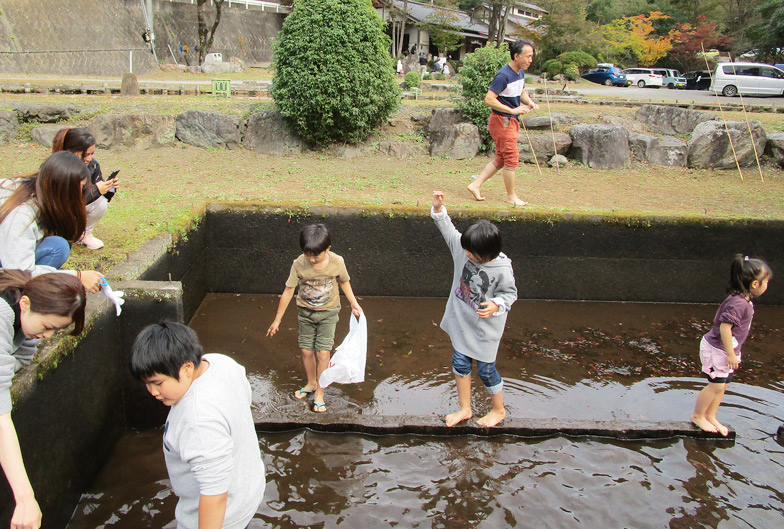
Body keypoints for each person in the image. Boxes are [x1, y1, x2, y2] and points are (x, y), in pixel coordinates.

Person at [130, 322, 265, 529]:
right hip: (247, 494)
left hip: (223, 519)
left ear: (186, 369)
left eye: (158, 383)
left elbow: (215, 495)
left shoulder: (197, 420)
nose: (152, 392)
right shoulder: (221, 363)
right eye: (146, 383)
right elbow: (245, 398)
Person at [0, 269, 86, 529]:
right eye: (47, 327)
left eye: (55, 330)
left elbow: (19, 361)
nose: (47, 336)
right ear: (24, 304)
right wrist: (25, 498)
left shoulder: (22, 314)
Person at [431, 191, 518, 428]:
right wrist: (439, 210)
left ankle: (498, 410)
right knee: (460, 363)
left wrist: (495, 305)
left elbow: (510, 294)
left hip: (484, 329)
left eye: (472, 253)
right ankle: (464, 408)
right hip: (463, 322)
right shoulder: (463, 251)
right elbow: (449, 232)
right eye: (466, 250)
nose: (466, 254)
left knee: (487, 370)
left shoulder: (502, 268)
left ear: (488, 254)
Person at [266, 223, 362, 413]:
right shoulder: (298, 263)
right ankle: (311, 383)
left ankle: (320, 392)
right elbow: (288, 290)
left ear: (328, 249)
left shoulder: (337, 262)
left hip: (328, 313)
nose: (311, 259)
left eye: (315, 255)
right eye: (307, 254)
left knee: (323, 353)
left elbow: (344, 281)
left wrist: (353, 303)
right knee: (306, 351)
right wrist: (277, 319)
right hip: (306, 313)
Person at [691, 254, 772, 436]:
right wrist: (730, 354)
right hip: (718, 350)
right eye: (766, 282)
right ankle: (698, 415)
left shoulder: (743, 300)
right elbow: (725, 328)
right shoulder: (738, 303)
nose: (768, 286)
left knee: (724, 384)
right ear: (755, 284)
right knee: (716, 385)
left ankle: (711, 415)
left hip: (727, 349)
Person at [0, 152, 104, 293]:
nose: (80, 195)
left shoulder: (37, 189)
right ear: (60, 188)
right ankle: (18, 299)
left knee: (58, 246)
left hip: (9, 258)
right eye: (78, 189)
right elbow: (18, 271)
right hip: (11, 269)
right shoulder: (20, 215)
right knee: (55, 249)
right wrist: (76, 277)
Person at [467, 39, 539, 206]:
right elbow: (489, 99)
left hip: (510, 121)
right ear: (516, 56)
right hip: (502, 121)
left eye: (531, 57)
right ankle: (511, 196)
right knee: (511, 158)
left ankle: (475, 184)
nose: (530, 60)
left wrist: (529, 102)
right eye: (528, 57)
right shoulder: (503, 75)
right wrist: (513, 110)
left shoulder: (520, 72)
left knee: (502, 158)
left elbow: (521, 92)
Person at [52, 128, 119, 250]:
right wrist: (96, 190)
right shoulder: (57, 168)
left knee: (101, 202)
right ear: (70, 151)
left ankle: (83, 234)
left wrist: (108, 189)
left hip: (77, 209)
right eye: (85, 154)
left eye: (92, 153)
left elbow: (98, 197)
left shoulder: (92, 165)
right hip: (57, 213)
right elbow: (65, 202)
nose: (89, 158)